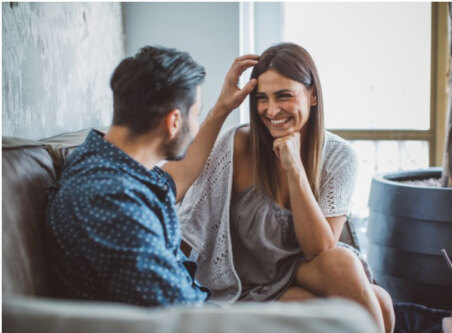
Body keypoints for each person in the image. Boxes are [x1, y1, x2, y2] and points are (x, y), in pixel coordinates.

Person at [178, 43, 395, 333]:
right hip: (249, 286)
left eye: (284, 96)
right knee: (369, 305)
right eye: (262, 98)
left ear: (313, 95)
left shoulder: (339, 156)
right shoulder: (238, 146)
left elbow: (320, 250)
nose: (271, 110)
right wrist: (222, 106)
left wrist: (294, 168)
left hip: (304, 271)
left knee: (374, 294)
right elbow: (188, 217)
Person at [45, 46, 258, 307]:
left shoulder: (109, 163)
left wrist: (222, 108)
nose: (194, 127)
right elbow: (181, 315)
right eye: (196, 115)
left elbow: (173, 182)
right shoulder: (110, 202)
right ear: (173, 122)